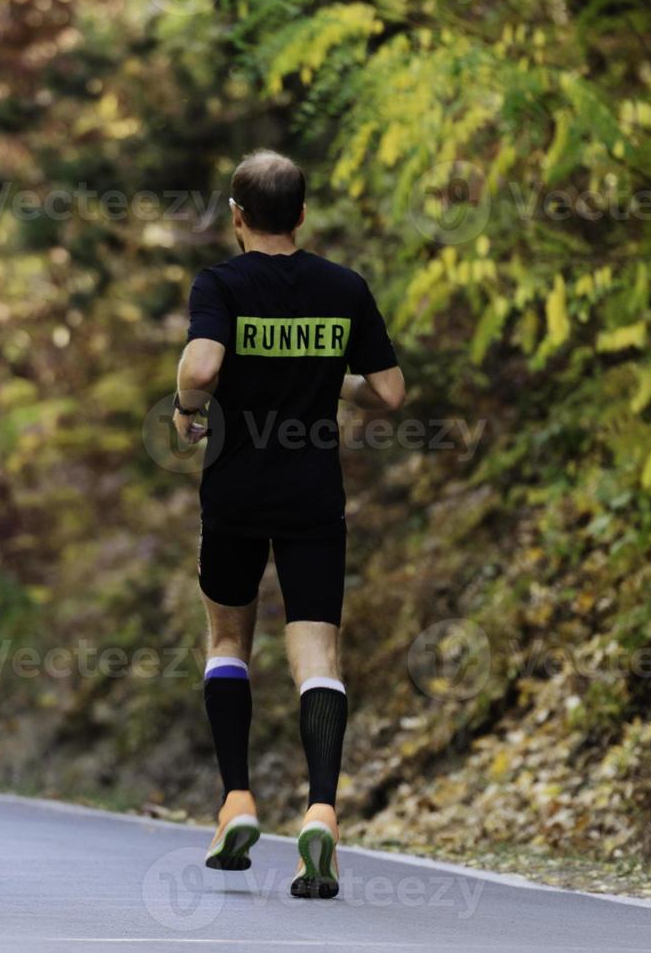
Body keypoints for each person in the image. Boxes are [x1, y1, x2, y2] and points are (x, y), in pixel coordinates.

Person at [171, 149, 405, 900]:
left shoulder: (221, 284)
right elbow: (390, 392)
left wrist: (185, 408)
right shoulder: (343, 287)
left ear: (237, 216)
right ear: (302, 213)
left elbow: (203, 369)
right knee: (317, 653)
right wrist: (325, 376)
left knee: (228, 641)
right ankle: (323, 811)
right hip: (312, 494)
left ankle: (237, 799)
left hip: (235, 491)